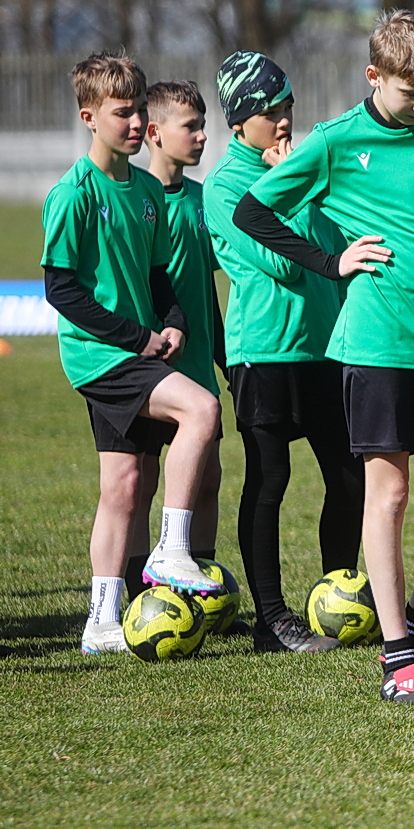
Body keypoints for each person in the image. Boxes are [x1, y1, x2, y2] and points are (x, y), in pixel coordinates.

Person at [234, 9, 414, 705]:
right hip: (375, 345)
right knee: (388, 497)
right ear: (373, 75)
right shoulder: (333, 142)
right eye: (408, 92)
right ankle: (397, 661)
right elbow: (253, 213)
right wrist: (332, 263)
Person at [40, 53, 224, 655]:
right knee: (200, 410)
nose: (136, 122)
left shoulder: (146, 190)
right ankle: (172, 552)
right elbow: (60, 289)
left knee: (122, 486)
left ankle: (100, 621)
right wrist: (137, 338)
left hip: (139, 349)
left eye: (140, 110)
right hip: (102, 356)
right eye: (123, 113)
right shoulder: (72, 194)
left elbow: (158, 275)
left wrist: (170, 323)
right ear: (89, 117)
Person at [203, 52, 365, 653]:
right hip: (264, 352)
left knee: (350, 478)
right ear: (241, 121)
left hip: (323, 346)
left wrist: (301, 184)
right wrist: (293, 184)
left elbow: (338, 240)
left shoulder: (298, 168)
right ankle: (271, 621)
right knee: (270, 480)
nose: (283, 120)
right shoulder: (224, 187)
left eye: (287, 107)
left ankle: (337, 597)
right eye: (270, 111)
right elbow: (282, 262)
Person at [128, 80, 228, 602]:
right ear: (154, 133)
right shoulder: (140, 202)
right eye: (190, 126)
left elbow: (205, 292)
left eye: (202, 124)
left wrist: (223, 358)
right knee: (142, 483)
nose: (202, 135)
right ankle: (140, 589)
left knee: (207, 480)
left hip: (198, 369)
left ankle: (198, 589)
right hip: (149, 366)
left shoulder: (202, 200)